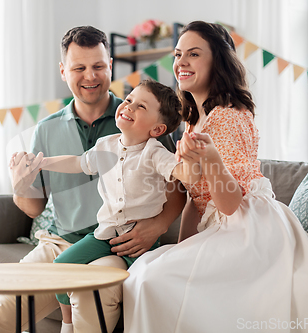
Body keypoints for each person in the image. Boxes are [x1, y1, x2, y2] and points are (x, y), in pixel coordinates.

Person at [0, 26, 186, 333]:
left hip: (117, 245)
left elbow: (178, 188)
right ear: (64, 71)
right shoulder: (47, 129)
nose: (90, 76)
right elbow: (33, 208)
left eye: (98, 67)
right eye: (79, 68)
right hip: (59, 241)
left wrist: (156, 227)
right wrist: (21, 184)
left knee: (91, 294)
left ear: (110, 66)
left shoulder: (144, 118)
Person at [123, 21, 308, 333]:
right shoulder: (193, 122)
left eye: (194, 54)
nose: (181, 62)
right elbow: (194, 201)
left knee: (152, 280)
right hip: (218, 226)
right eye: (178, 53)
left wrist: (212, 160)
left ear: (217, 62)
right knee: (144, 272)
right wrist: (180, 249)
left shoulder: (229, 117)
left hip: (249, 230)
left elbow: (230, 204)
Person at [29, 80, 201, 333]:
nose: (128, 106)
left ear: (157, 128)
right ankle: (67, 323)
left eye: (140, 106)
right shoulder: (106, 145)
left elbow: (182, 175)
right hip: (104, 235)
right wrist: (40, 162)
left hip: (139, 241)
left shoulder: (154, 152)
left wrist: (193, 160)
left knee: (145, 290)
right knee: (60, 268)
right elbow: (77, 163)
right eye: (129, 100)